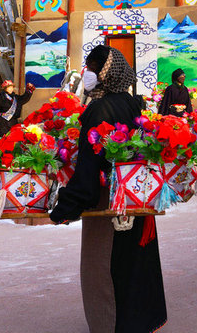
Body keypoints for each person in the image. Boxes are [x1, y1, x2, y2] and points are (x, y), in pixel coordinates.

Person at [49, 45, 167, 333]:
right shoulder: (131, 103)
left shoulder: (98, 109)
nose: (85, 73)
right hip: (135, 194)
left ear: (104, 73)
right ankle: (139, 322)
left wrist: (64, 208)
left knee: (102, 267)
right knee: (135, 263)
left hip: (108, 202)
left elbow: (90, 168)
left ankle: (109, 326)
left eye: (90, 68)